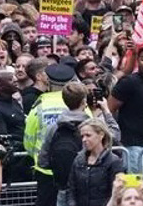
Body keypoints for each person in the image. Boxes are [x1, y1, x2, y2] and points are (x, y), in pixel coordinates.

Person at [39, 81, 119, 204]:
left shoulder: (54, 128)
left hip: (63, 188)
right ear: (84, 101)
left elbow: (43, 161)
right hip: (89, 190)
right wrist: (106, 111)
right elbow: (115, 136)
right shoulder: (93, 127)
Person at [24, 63, 76, 206]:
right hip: (74, 167)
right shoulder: (78, 104)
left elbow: (28, 138)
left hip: (45, 169)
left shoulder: (39, 106)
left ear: (48, 81)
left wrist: (35, 156)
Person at [109, 46, 143, 175]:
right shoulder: (129, 82)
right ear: (138, 61)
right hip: (133, 148)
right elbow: (109, 108)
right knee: (137, 190)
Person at [67, 118, 125, 206]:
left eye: (88, 135)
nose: (84, 139)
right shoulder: (78, 160)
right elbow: (71, 190)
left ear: (101, 135)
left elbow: (118, 193)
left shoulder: (114, 162)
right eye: (82, 136)